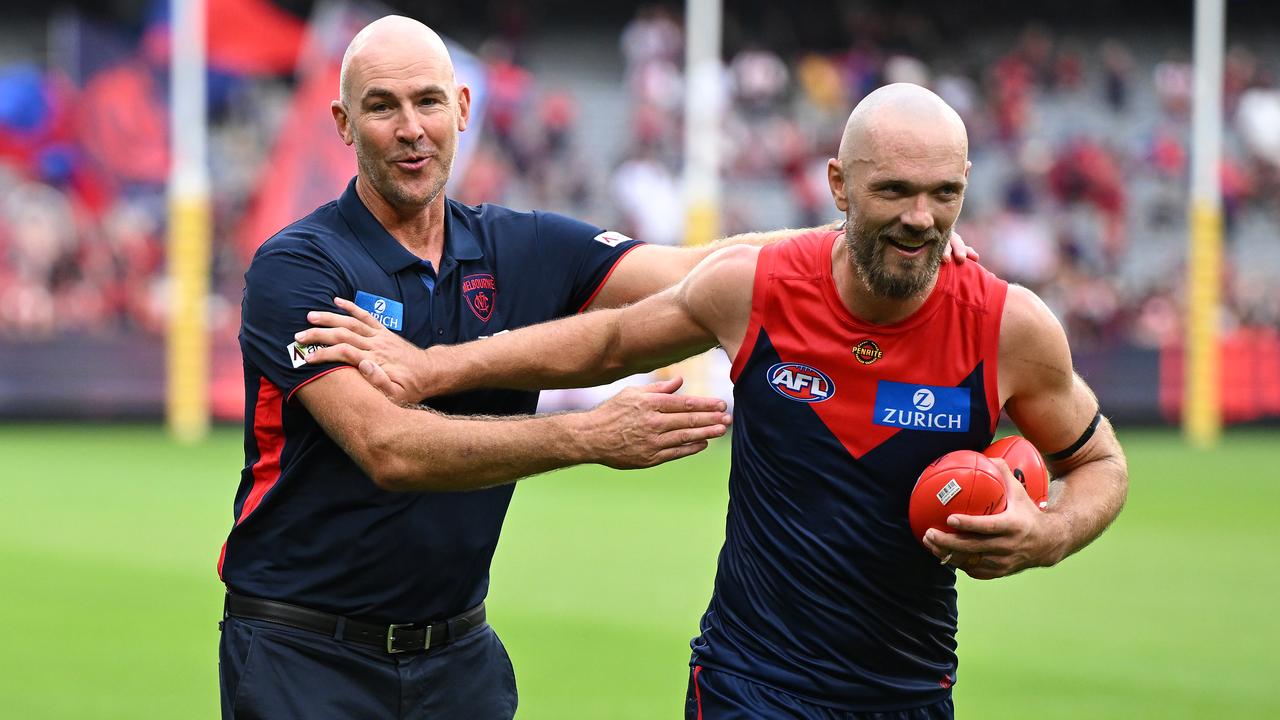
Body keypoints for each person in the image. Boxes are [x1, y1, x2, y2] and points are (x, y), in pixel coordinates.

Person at [220, 13, 983, 720]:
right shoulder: (300, 267)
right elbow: (388, 448)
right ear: (343, 124)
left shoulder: (519, 247)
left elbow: (698, 267)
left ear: (461, 107)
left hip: (455, 659)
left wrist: (875, 230)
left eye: (427, 101)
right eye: (382, 107)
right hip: (302, 652)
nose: (411, 129)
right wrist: (589, 436)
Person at [299, 83, 1128, 719]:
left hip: (910, 689)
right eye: (895, 193)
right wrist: (429, 369)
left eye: (944, 195)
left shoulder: (1009, 327)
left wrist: (1047, 534)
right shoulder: (756, 288)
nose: (921, 219)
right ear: (839, 184)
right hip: (749, 683)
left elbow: (1096, 462)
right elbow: (606, 340)